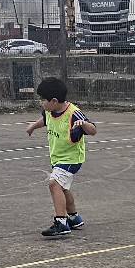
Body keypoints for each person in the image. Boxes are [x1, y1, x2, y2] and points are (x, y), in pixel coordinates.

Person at [25, 77, 96, 238]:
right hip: (58, 159)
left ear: (54, 101)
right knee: (63, 188)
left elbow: (93, 130)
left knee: (54, 183)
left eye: (43, 100)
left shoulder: (74, 114)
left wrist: (84, 124)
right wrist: (33, 126)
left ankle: (61, 222)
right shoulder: (50, 111)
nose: (41, 103)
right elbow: (45, 120)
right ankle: (74, 218)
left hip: (71, 159)